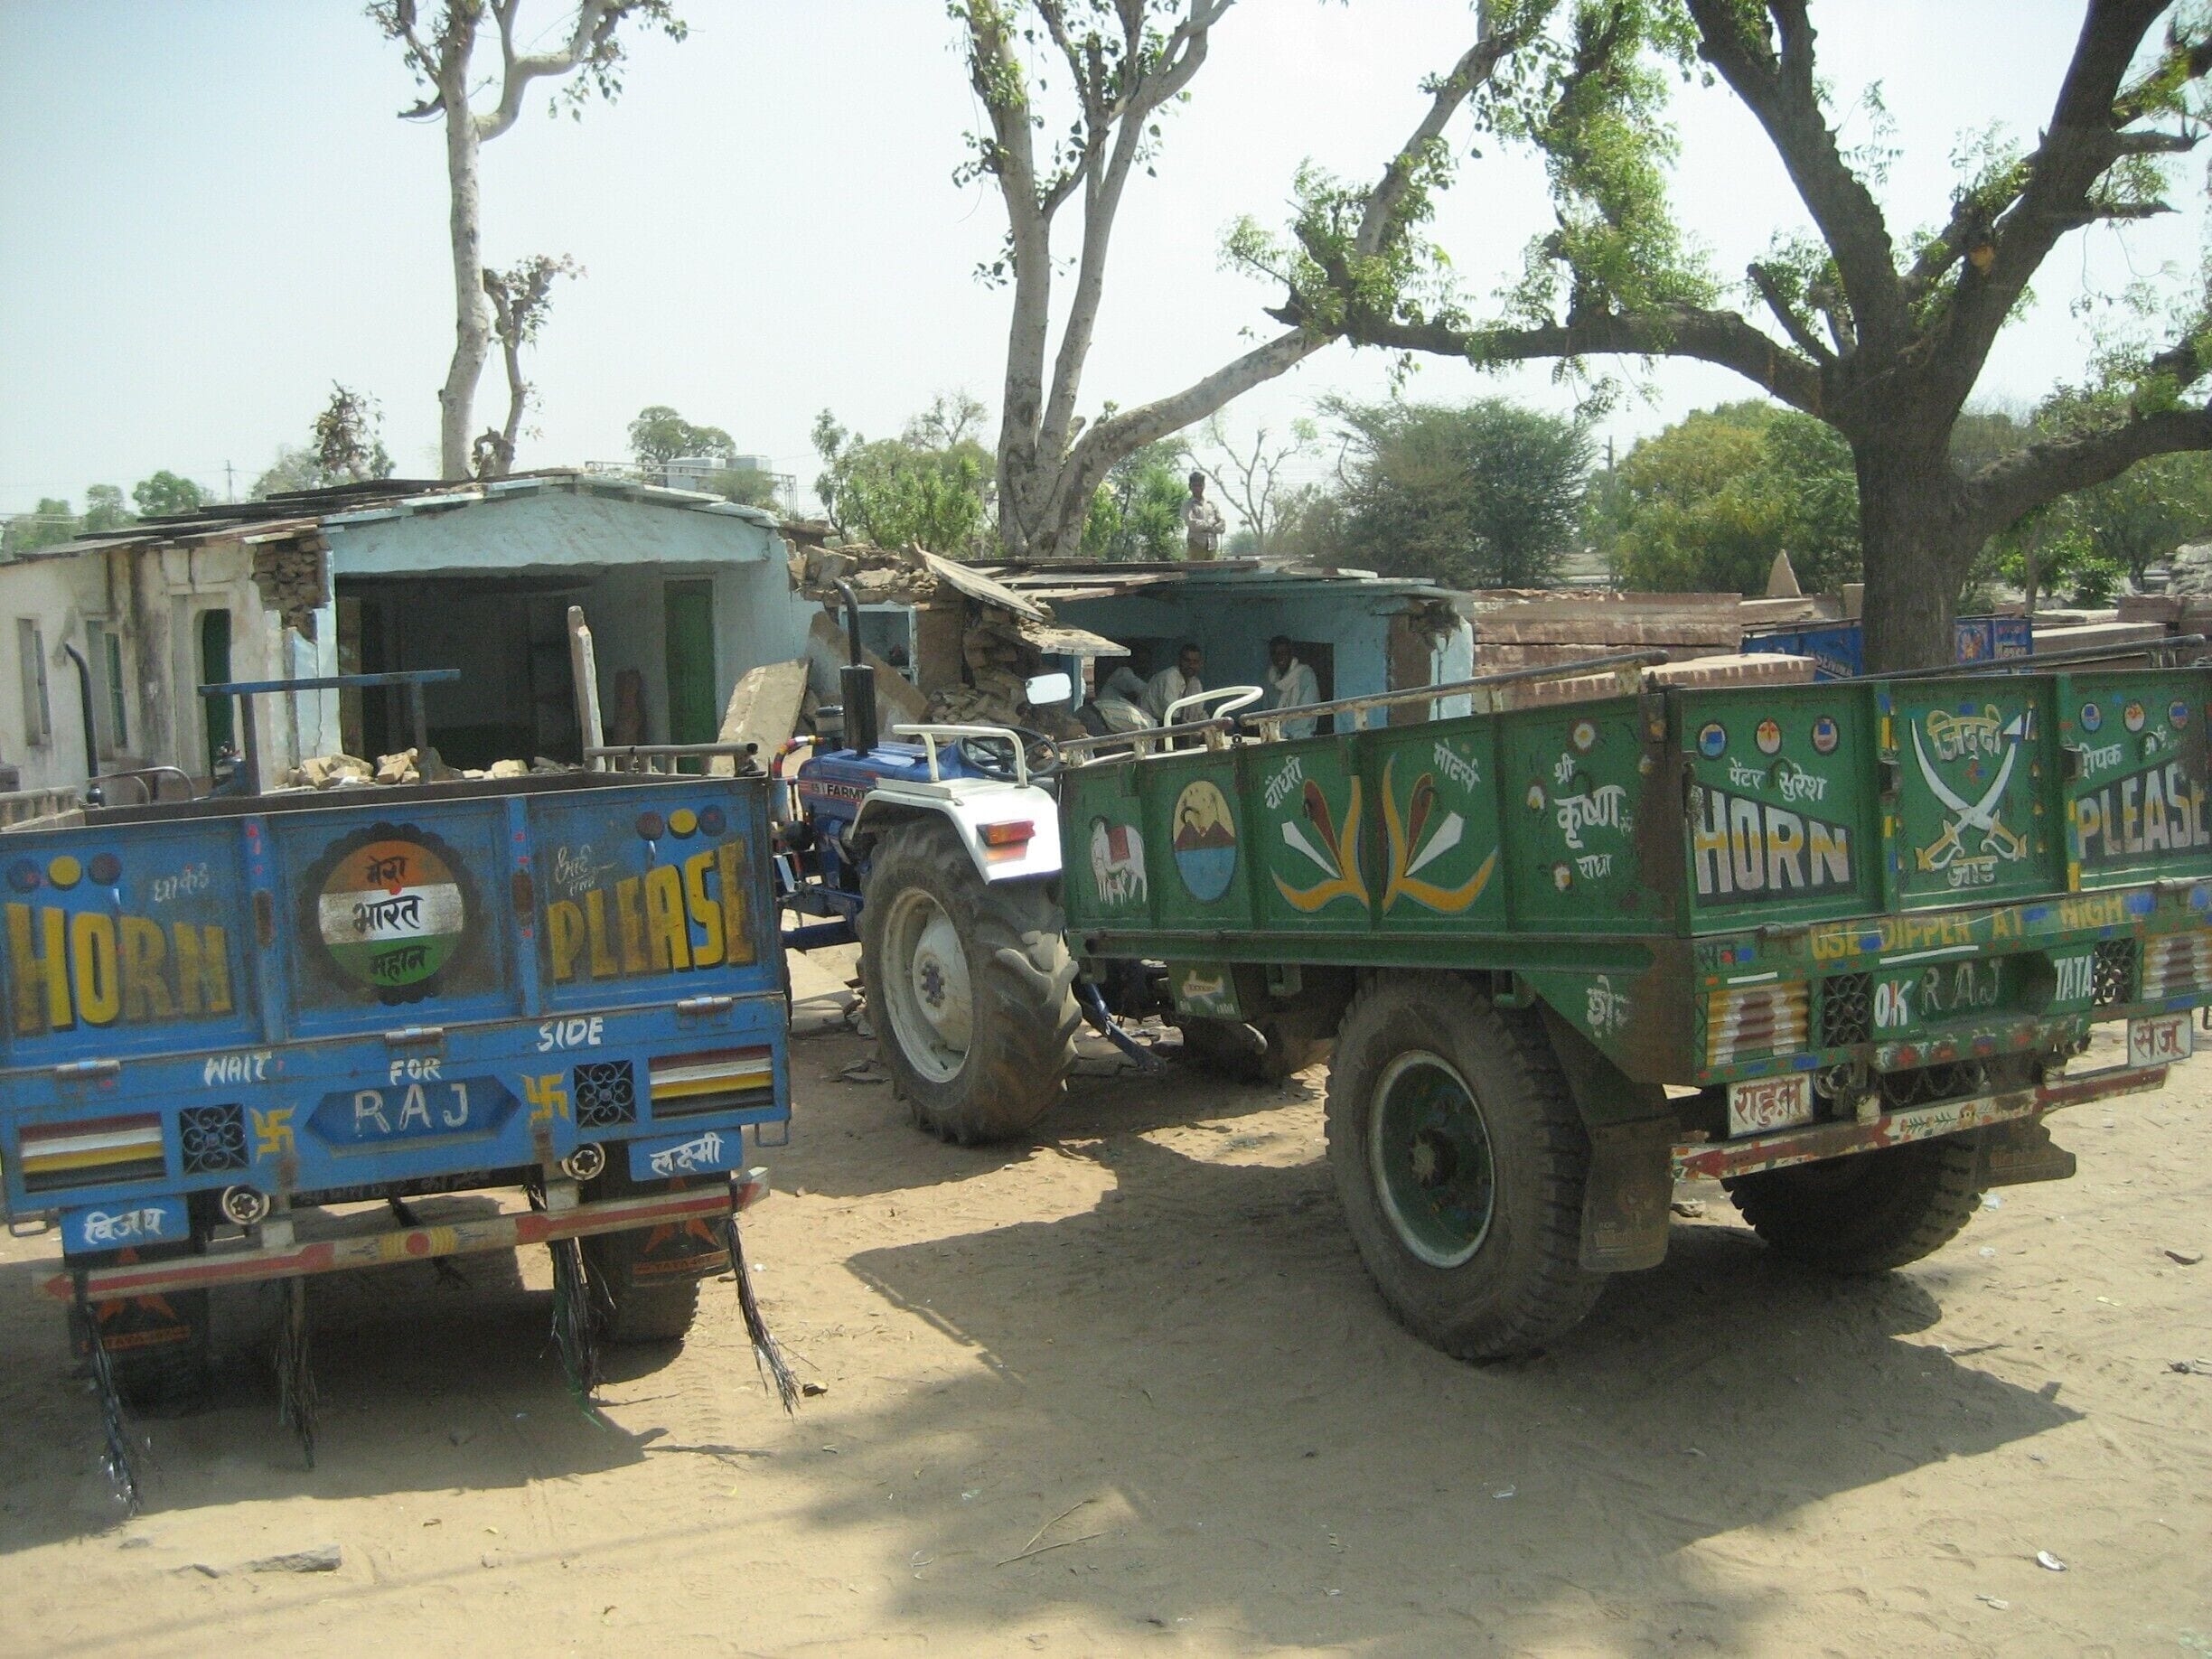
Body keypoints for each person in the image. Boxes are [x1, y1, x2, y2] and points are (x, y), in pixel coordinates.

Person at [1264, 635, 1318, 739]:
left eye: (1283, 653)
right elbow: (1266, 709)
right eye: (1274, 653)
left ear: (1290, 654)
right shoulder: (1271, 676)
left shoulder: (1305, 674)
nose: (1279, 657)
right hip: (1274, 735)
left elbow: (1307, 713)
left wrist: (1285, 734)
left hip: (1301, 735)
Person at [1143, 643, 1204, 724]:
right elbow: (1173, 715)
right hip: (1150, 724)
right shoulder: (1170, 676)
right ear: (1179, 661)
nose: (1191, 665)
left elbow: (1199, 713)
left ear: (1200, 664)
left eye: (1195, 662)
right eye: (1187, 660)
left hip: (1170, 725)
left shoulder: (1195, 683)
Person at [1184, 472, 1225, 561]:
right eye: (1195, 485)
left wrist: (1211, 527)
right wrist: (1211, 523)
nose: (1198, 488)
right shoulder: (1188, 505)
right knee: (1196, 572)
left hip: (1212, 545)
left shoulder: (1211, 504)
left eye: (1200, 485)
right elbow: (1194, 525)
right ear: (1190, 486)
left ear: (1204, 485)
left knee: (1212, 573)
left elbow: (1222, 525)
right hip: (1196, 544)